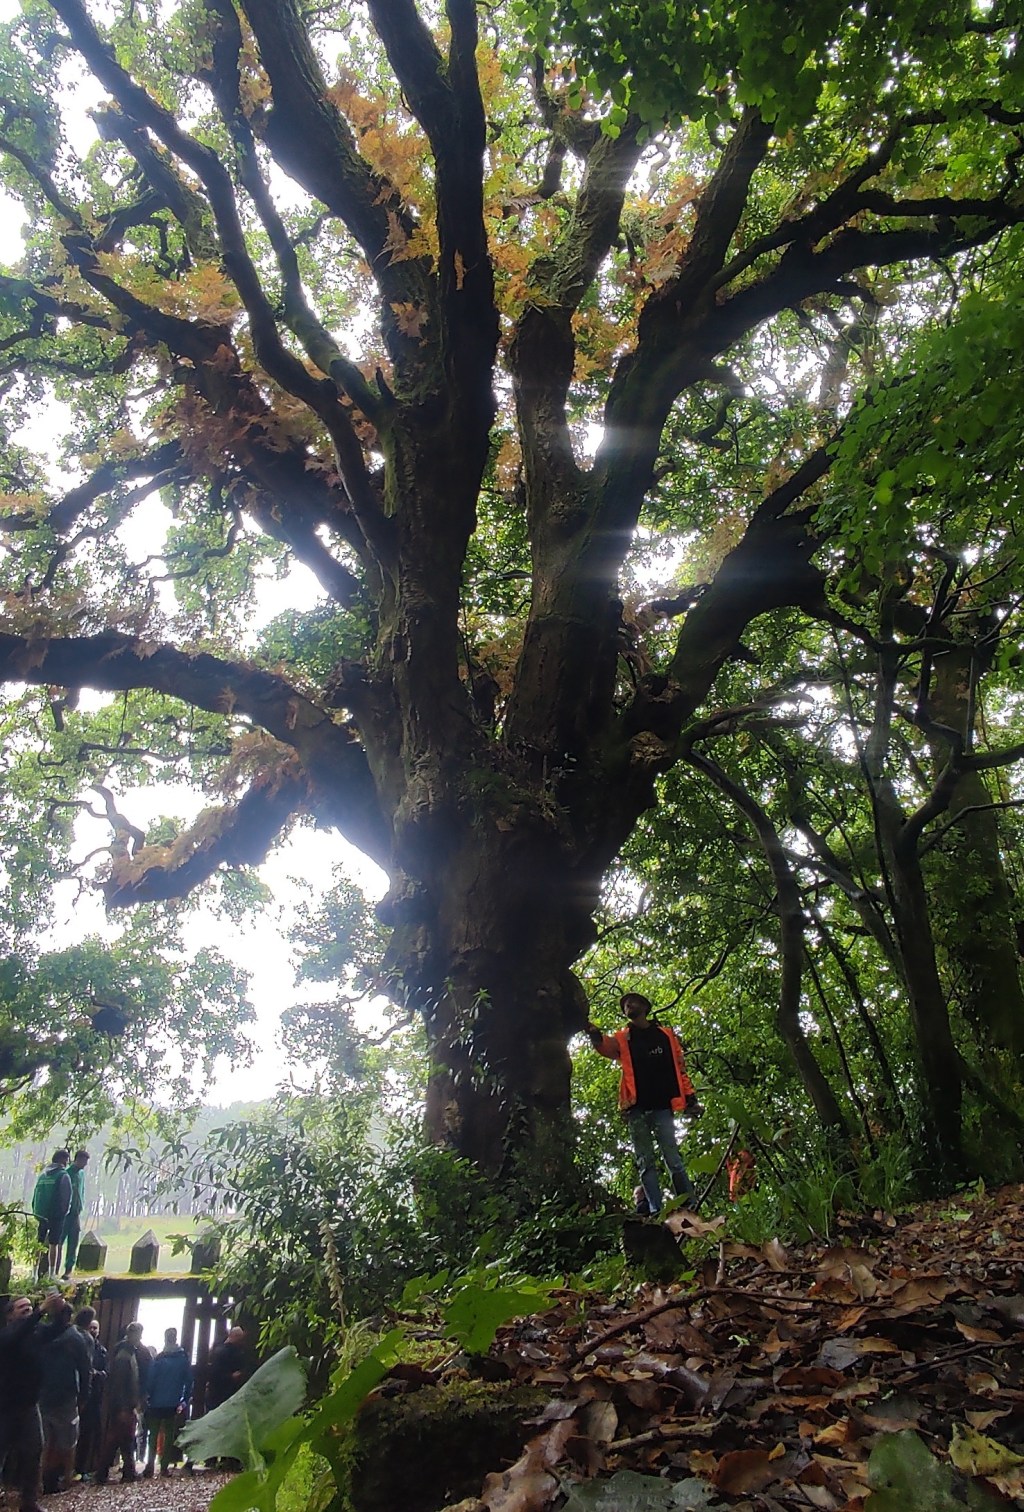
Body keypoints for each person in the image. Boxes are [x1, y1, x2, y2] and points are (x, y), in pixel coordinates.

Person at [586, 992, 703, 1216]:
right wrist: (593, 1033)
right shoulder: (623, 1038)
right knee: (645, 1162)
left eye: (632, 1002)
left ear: (644, 1006)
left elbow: (679, 1067)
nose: (628, 1006)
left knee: (673, 1159)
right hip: (636, 1108)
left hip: (662, 1106)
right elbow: (606, 1046)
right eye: (625, 1005)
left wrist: (690, 1097)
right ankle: (655, 1210)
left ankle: (689, 1206)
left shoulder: (665, 1035)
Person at [0, 1292, 67, 1512]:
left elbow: (58, 1328)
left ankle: (29, 1501)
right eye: (22, 1307)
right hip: (5, 1406)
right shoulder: (8, 1334)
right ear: (10, 1315)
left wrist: (60, 1310)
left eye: (30, 1306)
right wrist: (39, 1311)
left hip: (29, 1405)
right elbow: (16, 1336)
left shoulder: (36, 1333)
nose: (28, 1309)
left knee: (33, 1451)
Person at [37, 1300, 91, 1494]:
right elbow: (85, 1370)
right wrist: (84, 1395)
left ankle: (47, 1481)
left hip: (50, 1395)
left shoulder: (45, 1334)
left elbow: (85, 1370)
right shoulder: (75, 1338)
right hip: (60, 1395)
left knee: (52, 1442)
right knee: (65, 1443)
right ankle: (61, 1480)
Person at [96, 1322, 147, 1483]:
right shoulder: (124, 1356)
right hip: (123, 1406)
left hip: (123, 1405)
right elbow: (120, 1384)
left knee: (124, 1439)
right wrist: (125, 1407)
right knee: (116, 1439)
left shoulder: (126, 1353)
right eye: (139, 1334)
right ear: (134, 1335)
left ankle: (127, 1472)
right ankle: (104, 1474)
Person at [142, 1328, 193, 1478]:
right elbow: (189, 1381)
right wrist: (184, 1399)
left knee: (153, 1434)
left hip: (156, 1401)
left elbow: (151, 1379)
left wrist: (148, 1395)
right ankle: (164, 1466)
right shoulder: (182, 1359)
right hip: (172, 1401)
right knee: (169, 1434)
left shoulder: (159, 1359)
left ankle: (150, 1465)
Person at [73, 1312, 106, 1479]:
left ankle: (83, 1468)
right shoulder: (79, 1344)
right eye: (91, 1327)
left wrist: (97, 1374)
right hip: (78, 1395)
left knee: (88, 1433)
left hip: (94, 1398)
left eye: (96, 1328)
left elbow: (106, 1372)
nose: (93, 1330)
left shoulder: (101, 1351)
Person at [30, 1153, 72, 1279]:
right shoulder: (63, 1175)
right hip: (56, 1216)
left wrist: (36, 1212)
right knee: (54, 1243)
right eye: (66, 1160)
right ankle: (52, 1274)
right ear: (62, 1160)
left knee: (39, 1242)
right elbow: (66, 1197)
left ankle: (33, 1274)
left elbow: (35, 1196)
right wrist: (63, 1213)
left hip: (41, 1215)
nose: (66, 1163)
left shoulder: (42, 1176)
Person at [60, 1152, 90, 1280]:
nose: (85, 1164)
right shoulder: (67, 1174)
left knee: (74, 1240)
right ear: (78, 1159)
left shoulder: (81, 1174)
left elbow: (81, 1191)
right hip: (65, 1213)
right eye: (84, 1161)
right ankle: (54, 1270)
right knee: (59, 1241)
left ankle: (68, 1270)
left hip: (76, 1213)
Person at [206, 1325, 248, 1410]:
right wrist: (231, 1376)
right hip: (222, 1393)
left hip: (218, 1393)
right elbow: (214, 1374)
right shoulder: (226, 1352)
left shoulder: (219, 1349)